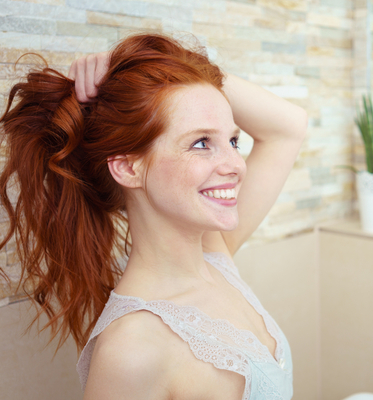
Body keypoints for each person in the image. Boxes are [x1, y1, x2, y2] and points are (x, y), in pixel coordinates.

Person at [0, 33, 307, 399]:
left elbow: (289, 126)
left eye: (233, 141)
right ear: (129, 168)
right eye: (201, 143)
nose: (236, 165)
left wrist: (168, 62)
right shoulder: (132, 348)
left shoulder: (215, 254)